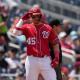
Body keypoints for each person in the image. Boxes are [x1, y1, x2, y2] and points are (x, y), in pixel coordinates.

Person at [12, 5, 60, 80]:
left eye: (38, 16)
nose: (36, 18)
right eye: (33, 16)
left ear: (41, 16)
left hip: (45, 59)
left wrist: (57, 57)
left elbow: (55, 43)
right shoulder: (27, 27)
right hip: (32, 60)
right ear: (30, 16)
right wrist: (22, 19)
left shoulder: (48, 28)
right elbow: (15, 32)